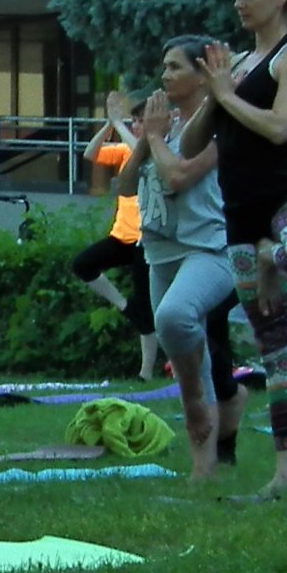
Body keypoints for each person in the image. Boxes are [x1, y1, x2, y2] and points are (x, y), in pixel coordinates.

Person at [184, 0, 287, 495]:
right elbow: (191, 142)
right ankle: (286, 471)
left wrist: (228, 94)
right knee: (277, 349)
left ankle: (276, 255)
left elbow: (279, 126)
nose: (239, 4)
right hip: (241, 214)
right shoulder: (238, 67)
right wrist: (214, 94)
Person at [121, 37, 239, 483]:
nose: (165, 75)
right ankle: (203, 470)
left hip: (210, 247)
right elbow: (126, 187)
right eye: (163, 67)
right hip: (160, 250)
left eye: (174, 67)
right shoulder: (163, 126)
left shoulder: (218, 123)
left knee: (174, 317)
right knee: (192, 348)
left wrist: (154, 137)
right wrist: (146, 141)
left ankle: (192, 396)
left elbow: (178, 176)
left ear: (200, 73)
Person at [75, 90, 160, 382]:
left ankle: (146, 372)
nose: (135, 125)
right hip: (121, 236)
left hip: (145, 239)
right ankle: (125, 307)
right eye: (133, 120)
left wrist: (120, 126)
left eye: (139, 121)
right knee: (83, 264)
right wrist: (109, 124)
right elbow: (90, 154)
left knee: (147, 306)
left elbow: (142, 152)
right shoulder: (125, 150)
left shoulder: (153, 149)